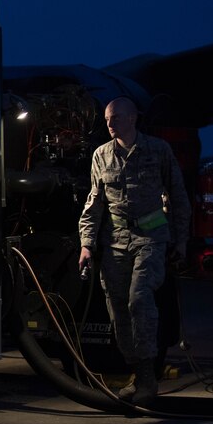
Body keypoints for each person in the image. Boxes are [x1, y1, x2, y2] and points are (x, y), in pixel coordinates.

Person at [78, 96, 191, 406]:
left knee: (139, 298)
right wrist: (86, 245)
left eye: (114, 118)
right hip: (114, 242)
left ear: (132, 119)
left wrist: (181, 241)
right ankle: (138, 373)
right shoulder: (101, 155)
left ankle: (147, 378)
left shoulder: (158, 150)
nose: (109, 124)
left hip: (151, 238)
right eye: (106, 119)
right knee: (118, 310)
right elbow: (94, 203)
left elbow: (178, 196)